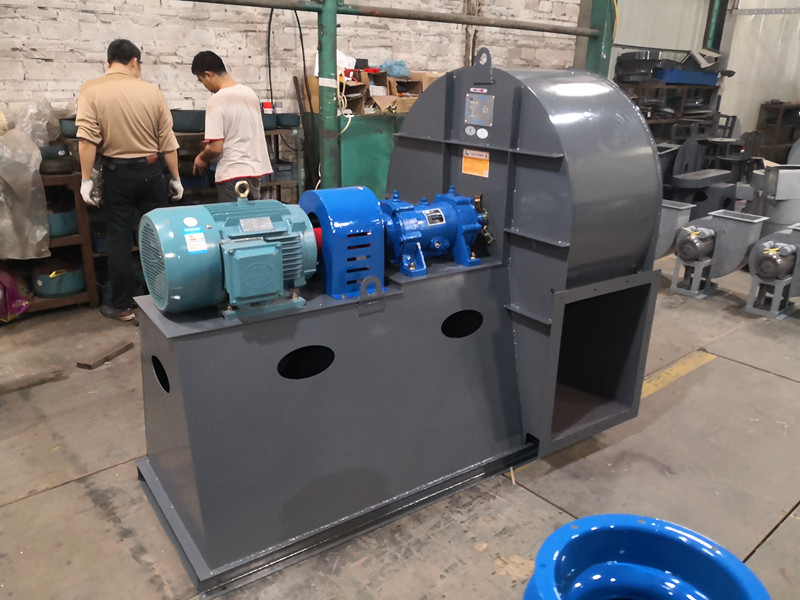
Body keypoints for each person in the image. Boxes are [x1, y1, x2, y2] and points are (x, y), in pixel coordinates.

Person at [76, 39, 183, 322]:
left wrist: (86, 179)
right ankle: (163, 301)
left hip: (117, 175)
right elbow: (168, 141)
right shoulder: (152, 92)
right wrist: (175, 178)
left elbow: (86, 139)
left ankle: (122, 306)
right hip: (152, 173)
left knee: (119, 240)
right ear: (134, 61)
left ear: (108, 61)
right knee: (159, 238)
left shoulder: (91, 90)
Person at [190, 51, 273, 201]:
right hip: (254, 173)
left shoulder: (216, 100)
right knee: (252, 216)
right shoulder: (249, 93)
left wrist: (201, 157)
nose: (205, 86)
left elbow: (215, 148)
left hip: (232, 174)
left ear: (208, 75)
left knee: (233, 216)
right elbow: (242, 131)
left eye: (201, 80)